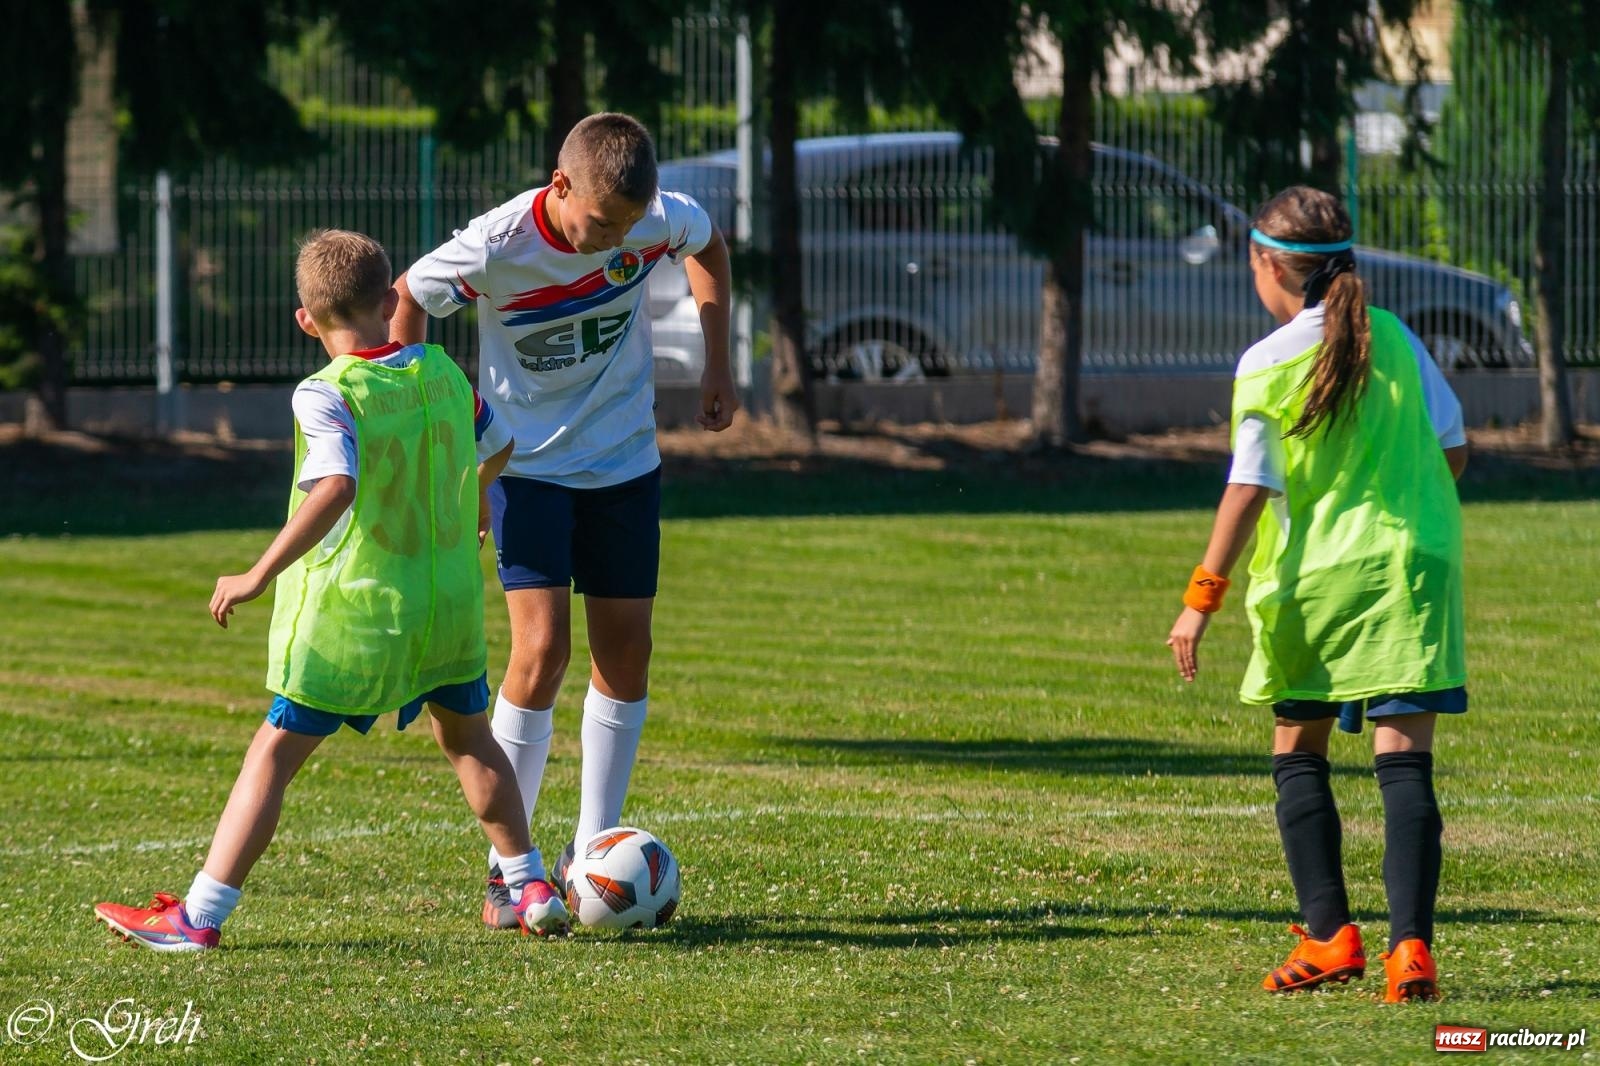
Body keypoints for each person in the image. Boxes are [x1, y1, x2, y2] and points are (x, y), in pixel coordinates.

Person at [94, 229, 570, 951]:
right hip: (445, 609)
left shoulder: (327, 393)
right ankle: (530, 881)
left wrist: (257, 573)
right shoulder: (441, 372)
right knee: (470, 739)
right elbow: (499, 441)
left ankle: (198, 917)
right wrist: (476, 501)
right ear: (390, 300)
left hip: (358, 615)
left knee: (274, 752)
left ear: (306, 320)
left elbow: (337, 487)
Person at [389, 112, 737, 928]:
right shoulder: (497, 244)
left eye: (627, 228)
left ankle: (590, 851)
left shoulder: (655, 219)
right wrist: (426, 423)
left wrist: (718, 359)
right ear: (560, 186)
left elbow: (709, 247)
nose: (612, 241)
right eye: (599, 224)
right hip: (526, 469)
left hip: (624, 463)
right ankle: (509, 870)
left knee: (627, 650)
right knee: (541, 650)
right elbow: (407, 299)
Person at [1166, 186, 1469, 1003]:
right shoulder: (1398, 340)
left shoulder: (1267, 360)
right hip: (1412, 569)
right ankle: (1412, 954)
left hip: (1317, 577)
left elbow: (1248, 488)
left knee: (1298, 751)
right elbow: (1455, 447)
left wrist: (1202, 596)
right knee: (1405, 764)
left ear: (1268, 265)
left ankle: (1330, 935)